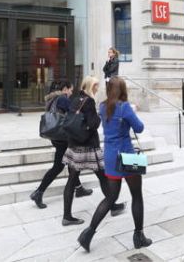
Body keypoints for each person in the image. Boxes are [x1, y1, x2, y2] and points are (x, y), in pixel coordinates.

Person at [78, 77, 151, 251]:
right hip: (126, 155)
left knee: (110, 198)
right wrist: (133, 112)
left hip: (110, 155)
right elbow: (139, 127)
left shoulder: (102, 107)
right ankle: (139, 236)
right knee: (137, 196)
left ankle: (88, 233)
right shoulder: (124, 107)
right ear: (123, 90)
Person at [60, 76, 125, 226]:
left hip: (73, 144)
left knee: (71, 180)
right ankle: (112, 205)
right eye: (96, 86)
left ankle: (67, 216)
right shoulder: (89, 101)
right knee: (102, 176)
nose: (97, 88)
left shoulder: (75, 98)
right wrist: (99, 117)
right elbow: (93, 123)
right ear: (90, 86)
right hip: (88, 146)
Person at [30, 81, 93, 209]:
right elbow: (74, 113)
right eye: (70, 90)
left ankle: (79, 188)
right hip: (63, 138)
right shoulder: (62, 99)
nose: (71, 93)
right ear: (65, 89)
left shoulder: (52, 98)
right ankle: (39, 192)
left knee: (70, 163)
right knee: (59, 166)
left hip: (57, 137)